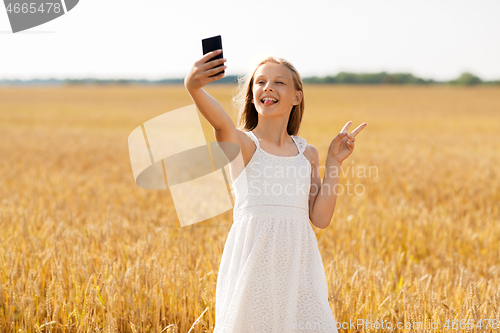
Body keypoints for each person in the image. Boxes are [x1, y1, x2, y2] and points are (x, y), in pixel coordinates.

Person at [184, 49, 367, 332]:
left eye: (279, 82)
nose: (268, 87)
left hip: (298, 267)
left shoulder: (307, 153)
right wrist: (193, 87)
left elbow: (320, 218)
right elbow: (221, 123)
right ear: (252, 94)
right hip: (253, 263)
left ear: (297, 96)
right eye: (260, 82)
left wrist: (334, 162)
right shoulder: (243, 145)